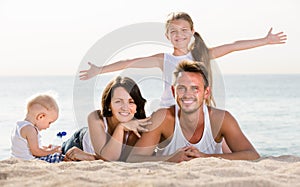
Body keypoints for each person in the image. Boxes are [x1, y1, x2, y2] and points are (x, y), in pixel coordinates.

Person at [79, 11, 287, 107]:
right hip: (170, 107)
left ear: (192, 31)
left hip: (195, 106)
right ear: (167, 35)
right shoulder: (164, 59)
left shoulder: (201, 54)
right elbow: (128, 62)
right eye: (174, 31)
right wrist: (99, 69)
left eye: (184, 30)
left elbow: (233, 46)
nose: (179, 35)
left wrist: (265, 41)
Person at [126, 60, 260, 163]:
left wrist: (205, 157)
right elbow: (134, 158)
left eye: (195, 88)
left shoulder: (221, 118)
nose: (187, 94)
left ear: (206, 92)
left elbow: (252, 155)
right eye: (181, 88)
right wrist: (170, 159)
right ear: (173, 91)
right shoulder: (163, 117)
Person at [62, 76, 151, 161]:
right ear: (109, 104)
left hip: (89, 154)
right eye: (118, 101)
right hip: (78, 143)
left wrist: (121, 127)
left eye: (131, 102)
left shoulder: (136, 128)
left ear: (137, 106)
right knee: (58, 150)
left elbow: (120, 160)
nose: (125, 107)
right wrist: (121, 127)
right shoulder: (95, 118)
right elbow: (107, 158)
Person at [10, 93, 64, 163]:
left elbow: (28, 147)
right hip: (29, 161)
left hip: (17, 159)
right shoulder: (30, 129)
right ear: (41, 117)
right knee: (59, 157)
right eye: (49, 122)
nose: (48, 126)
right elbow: (35, 152)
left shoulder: (19, 125)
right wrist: (52, 151)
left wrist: (45, 148)